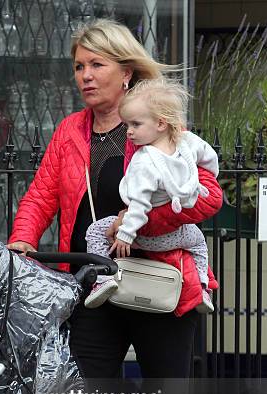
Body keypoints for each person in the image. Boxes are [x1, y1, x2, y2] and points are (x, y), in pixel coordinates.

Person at [8, 18, 223, 394]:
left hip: (158, 288)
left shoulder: (157, 127)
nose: (85, 76)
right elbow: (39, 196)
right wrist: (21, 240)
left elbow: (209, 197)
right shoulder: (70, 132)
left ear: (126, 72)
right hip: (98, 286)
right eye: (79, 66)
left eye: (96, 65)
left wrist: (145, 221)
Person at [84, 77, 218, 313]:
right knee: (198, 242)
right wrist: (206, 176)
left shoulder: (144, 160)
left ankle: (102, 280)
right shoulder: (187, 143)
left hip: (143, 237)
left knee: (95, 231)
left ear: (160, 123)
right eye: (127, 125)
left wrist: (126, 234)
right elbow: (209, 158)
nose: (129, 132)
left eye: (135, 124)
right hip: (177, 235)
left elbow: (139, 204)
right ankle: (204, 286)